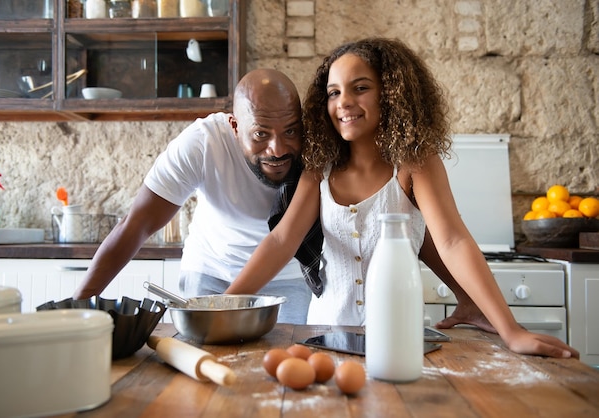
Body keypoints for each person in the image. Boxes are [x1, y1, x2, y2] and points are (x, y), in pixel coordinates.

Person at [226, 38, 579, 358]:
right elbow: (281, 239)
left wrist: (510, 330)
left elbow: (453, 241)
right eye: (334, 92)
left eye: (360, 88)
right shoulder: (320, 167)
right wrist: (225, 306)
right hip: (325, 337)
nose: (344, 102)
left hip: (402, 340)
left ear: (390, 93)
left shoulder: (416, 164)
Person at [72, 68, 313, 324]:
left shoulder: (314, 146)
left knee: (285, 359)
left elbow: (283, 240)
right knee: (202, 354)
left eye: (290, 132)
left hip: (287, 276)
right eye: (260, 134)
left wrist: (225, 307)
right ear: (234, 126)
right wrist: (77, 307)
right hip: (211, 270)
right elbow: (137, 223)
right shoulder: (203, 143)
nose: (277, 150)